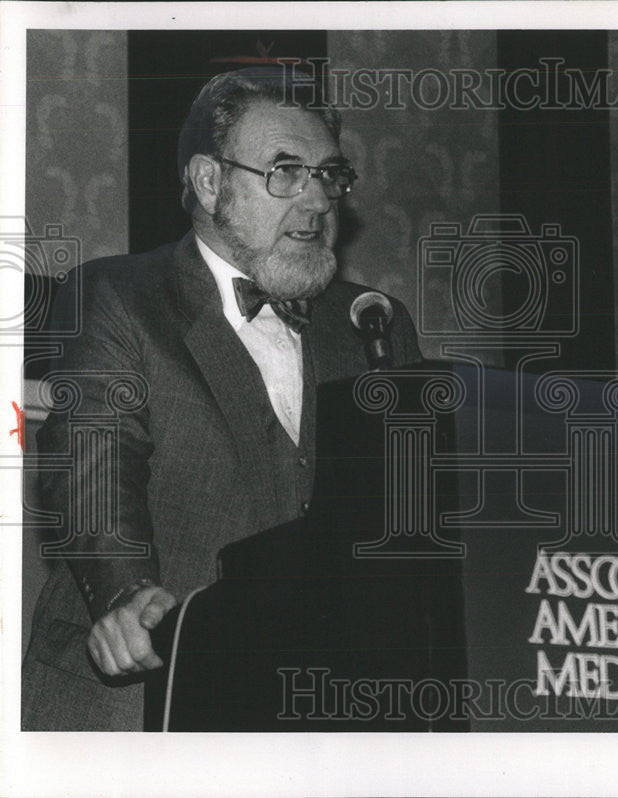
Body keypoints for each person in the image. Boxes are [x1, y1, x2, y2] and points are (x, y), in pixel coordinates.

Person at [21, 67, 422, 731]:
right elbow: (94, 462)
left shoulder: (374, 321)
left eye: (328, 174)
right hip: (138, 704)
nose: (317, 200)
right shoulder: (117, 297)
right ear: (210, 182)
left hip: (309, 711)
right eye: (286, 171)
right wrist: (124, 591)